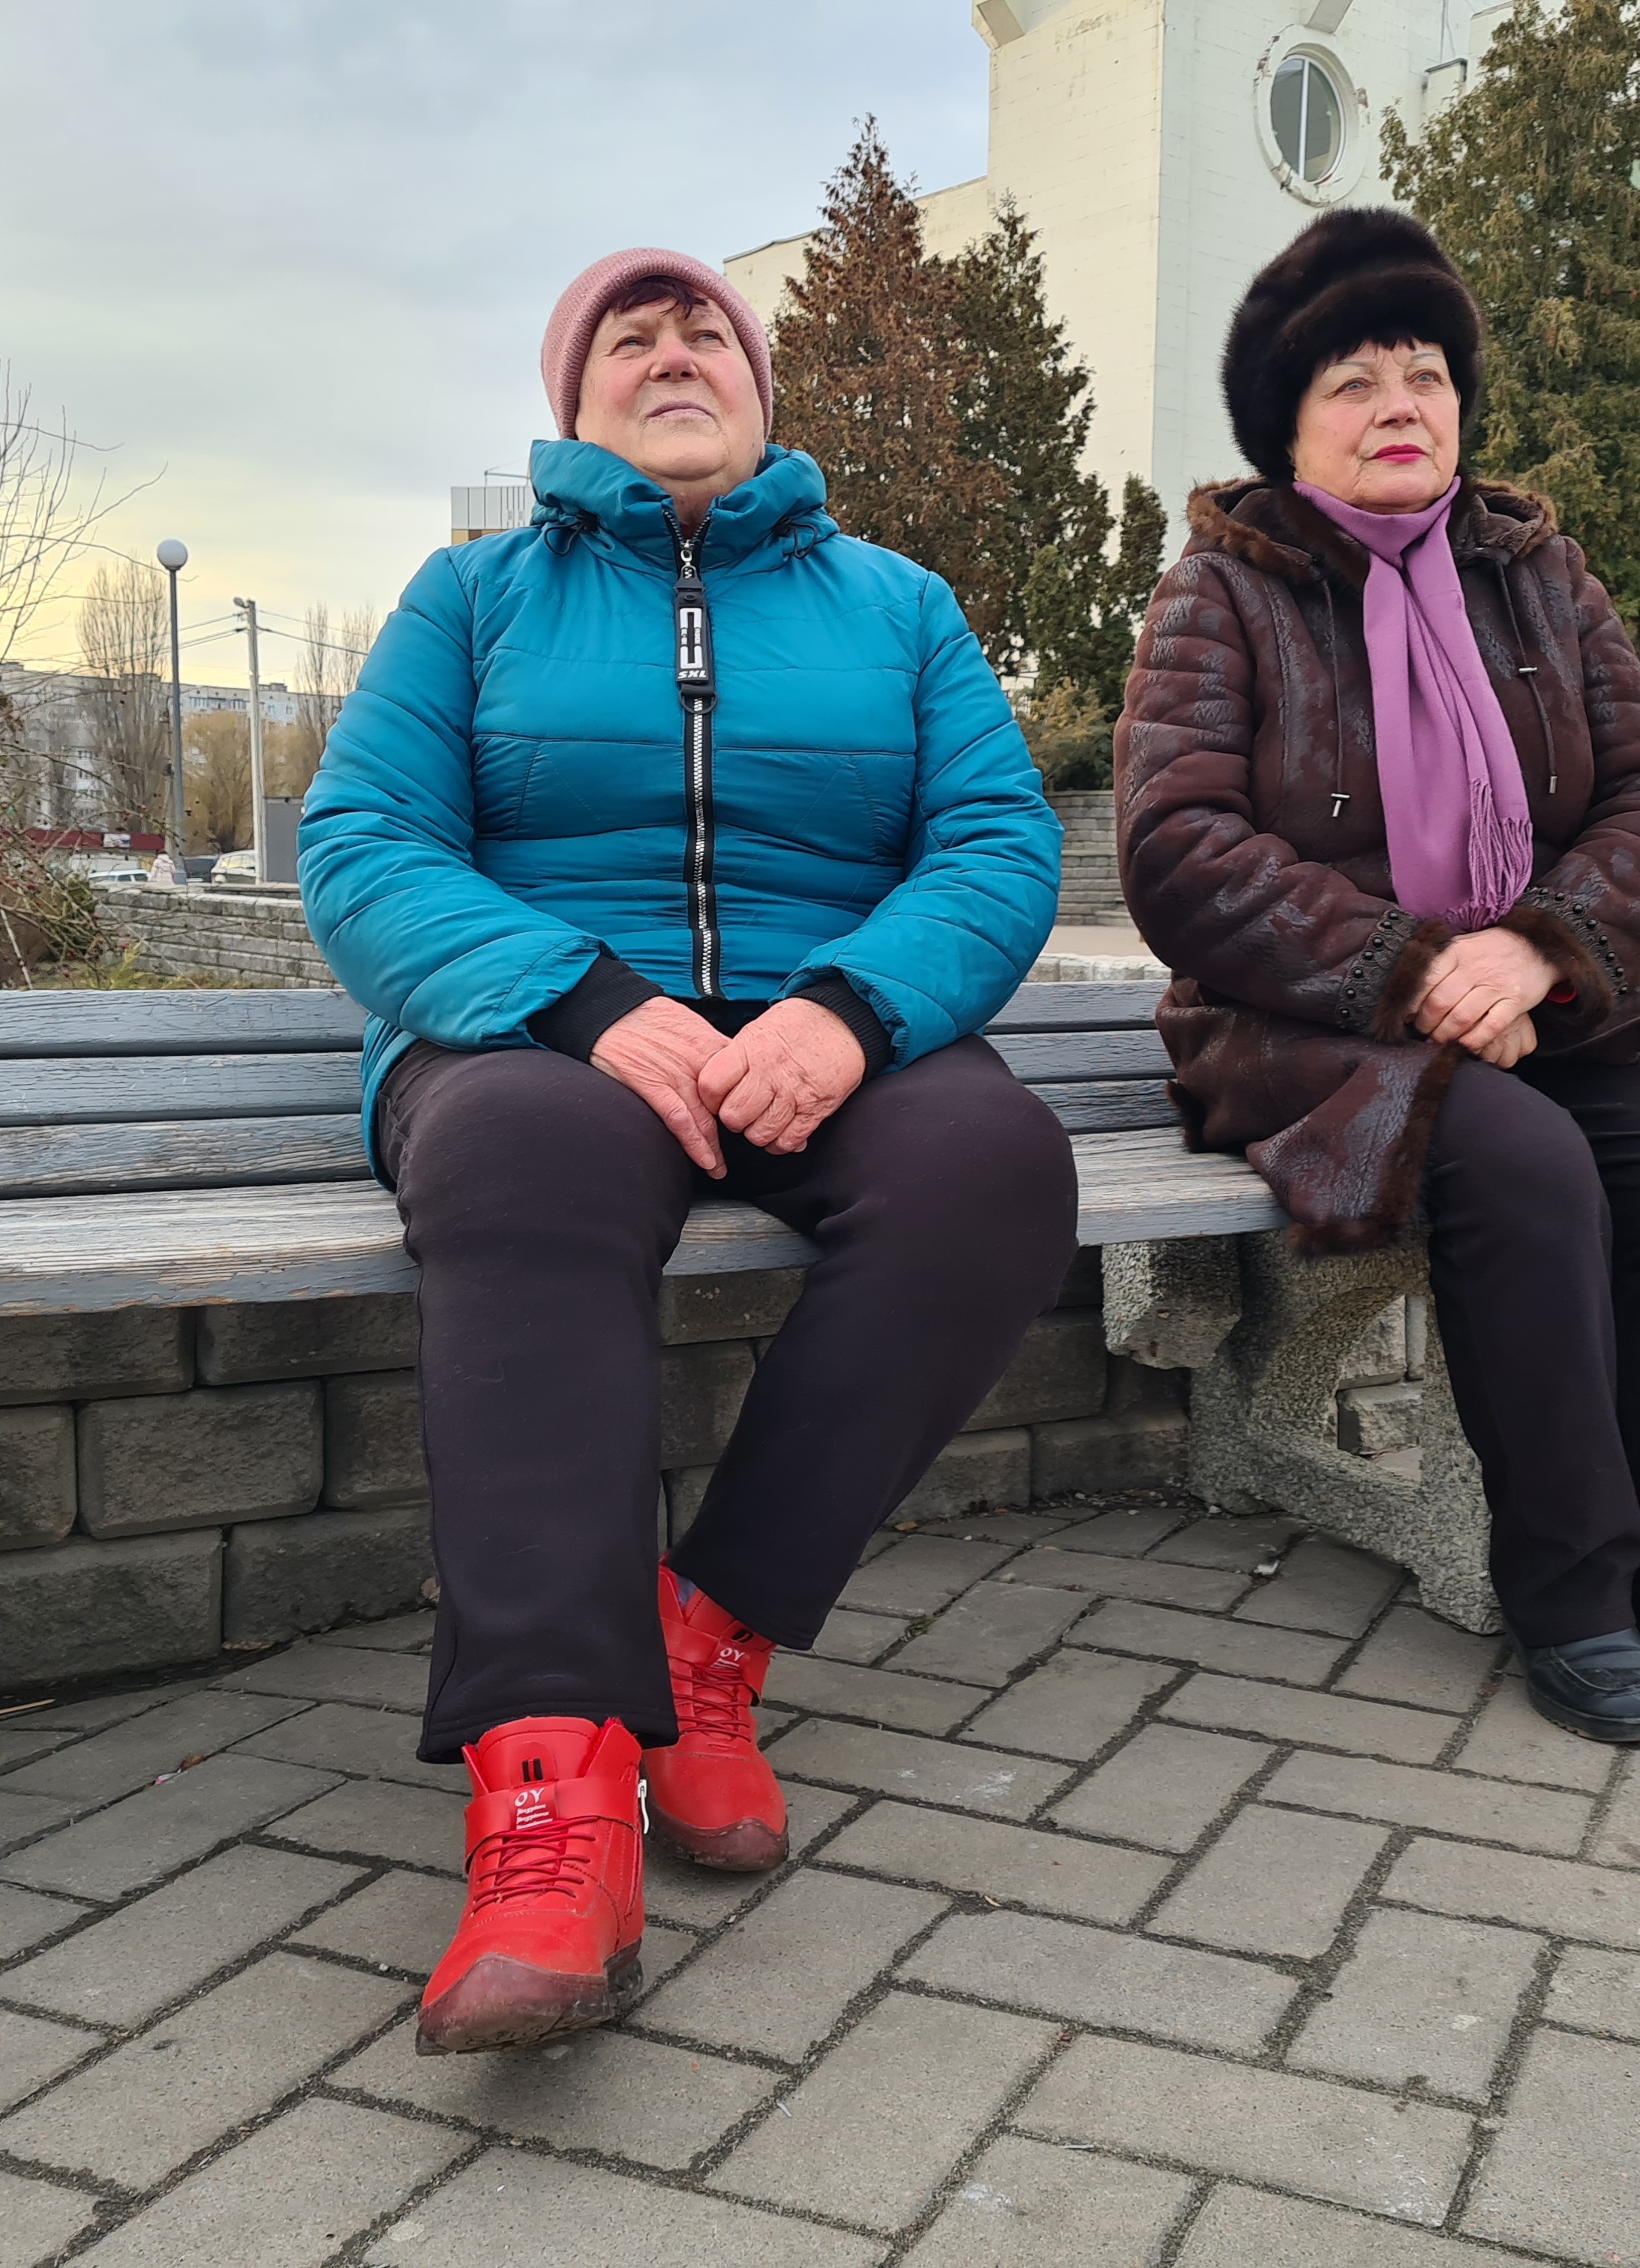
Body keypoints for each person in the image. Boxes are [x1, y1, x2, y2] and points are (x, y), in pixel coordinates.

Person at [300, 248, 1073, 2054]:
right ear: (571, 402)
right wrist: (581, 998)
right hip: (545, 1039)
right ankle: (553, 1790)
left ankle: (707, 1648)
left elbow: (994, 843)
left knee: (995, 1168)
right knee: (521, 1165)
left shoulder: (898, 606)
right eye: (626, 335)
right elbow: (365, 842)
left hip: (827, 1028)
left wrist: (851, 1011)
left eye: (704, 326)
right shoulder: (474, 595)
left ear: (760, 386)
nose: (672, 349)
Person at [1119, 208, 1640, 1745]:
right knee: (1525, 1171)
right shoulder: (1223, 590)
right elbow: (1178, 844)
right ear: (1289, 428)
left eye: (1425, 375)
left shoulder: (1536, 576)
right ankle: (1570, 1585)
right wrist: (1416, 968)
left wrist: (1536, 950)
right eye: (1355, 383)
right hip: (1306, 1026)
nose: (1401, 408)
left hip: (1544, 996)